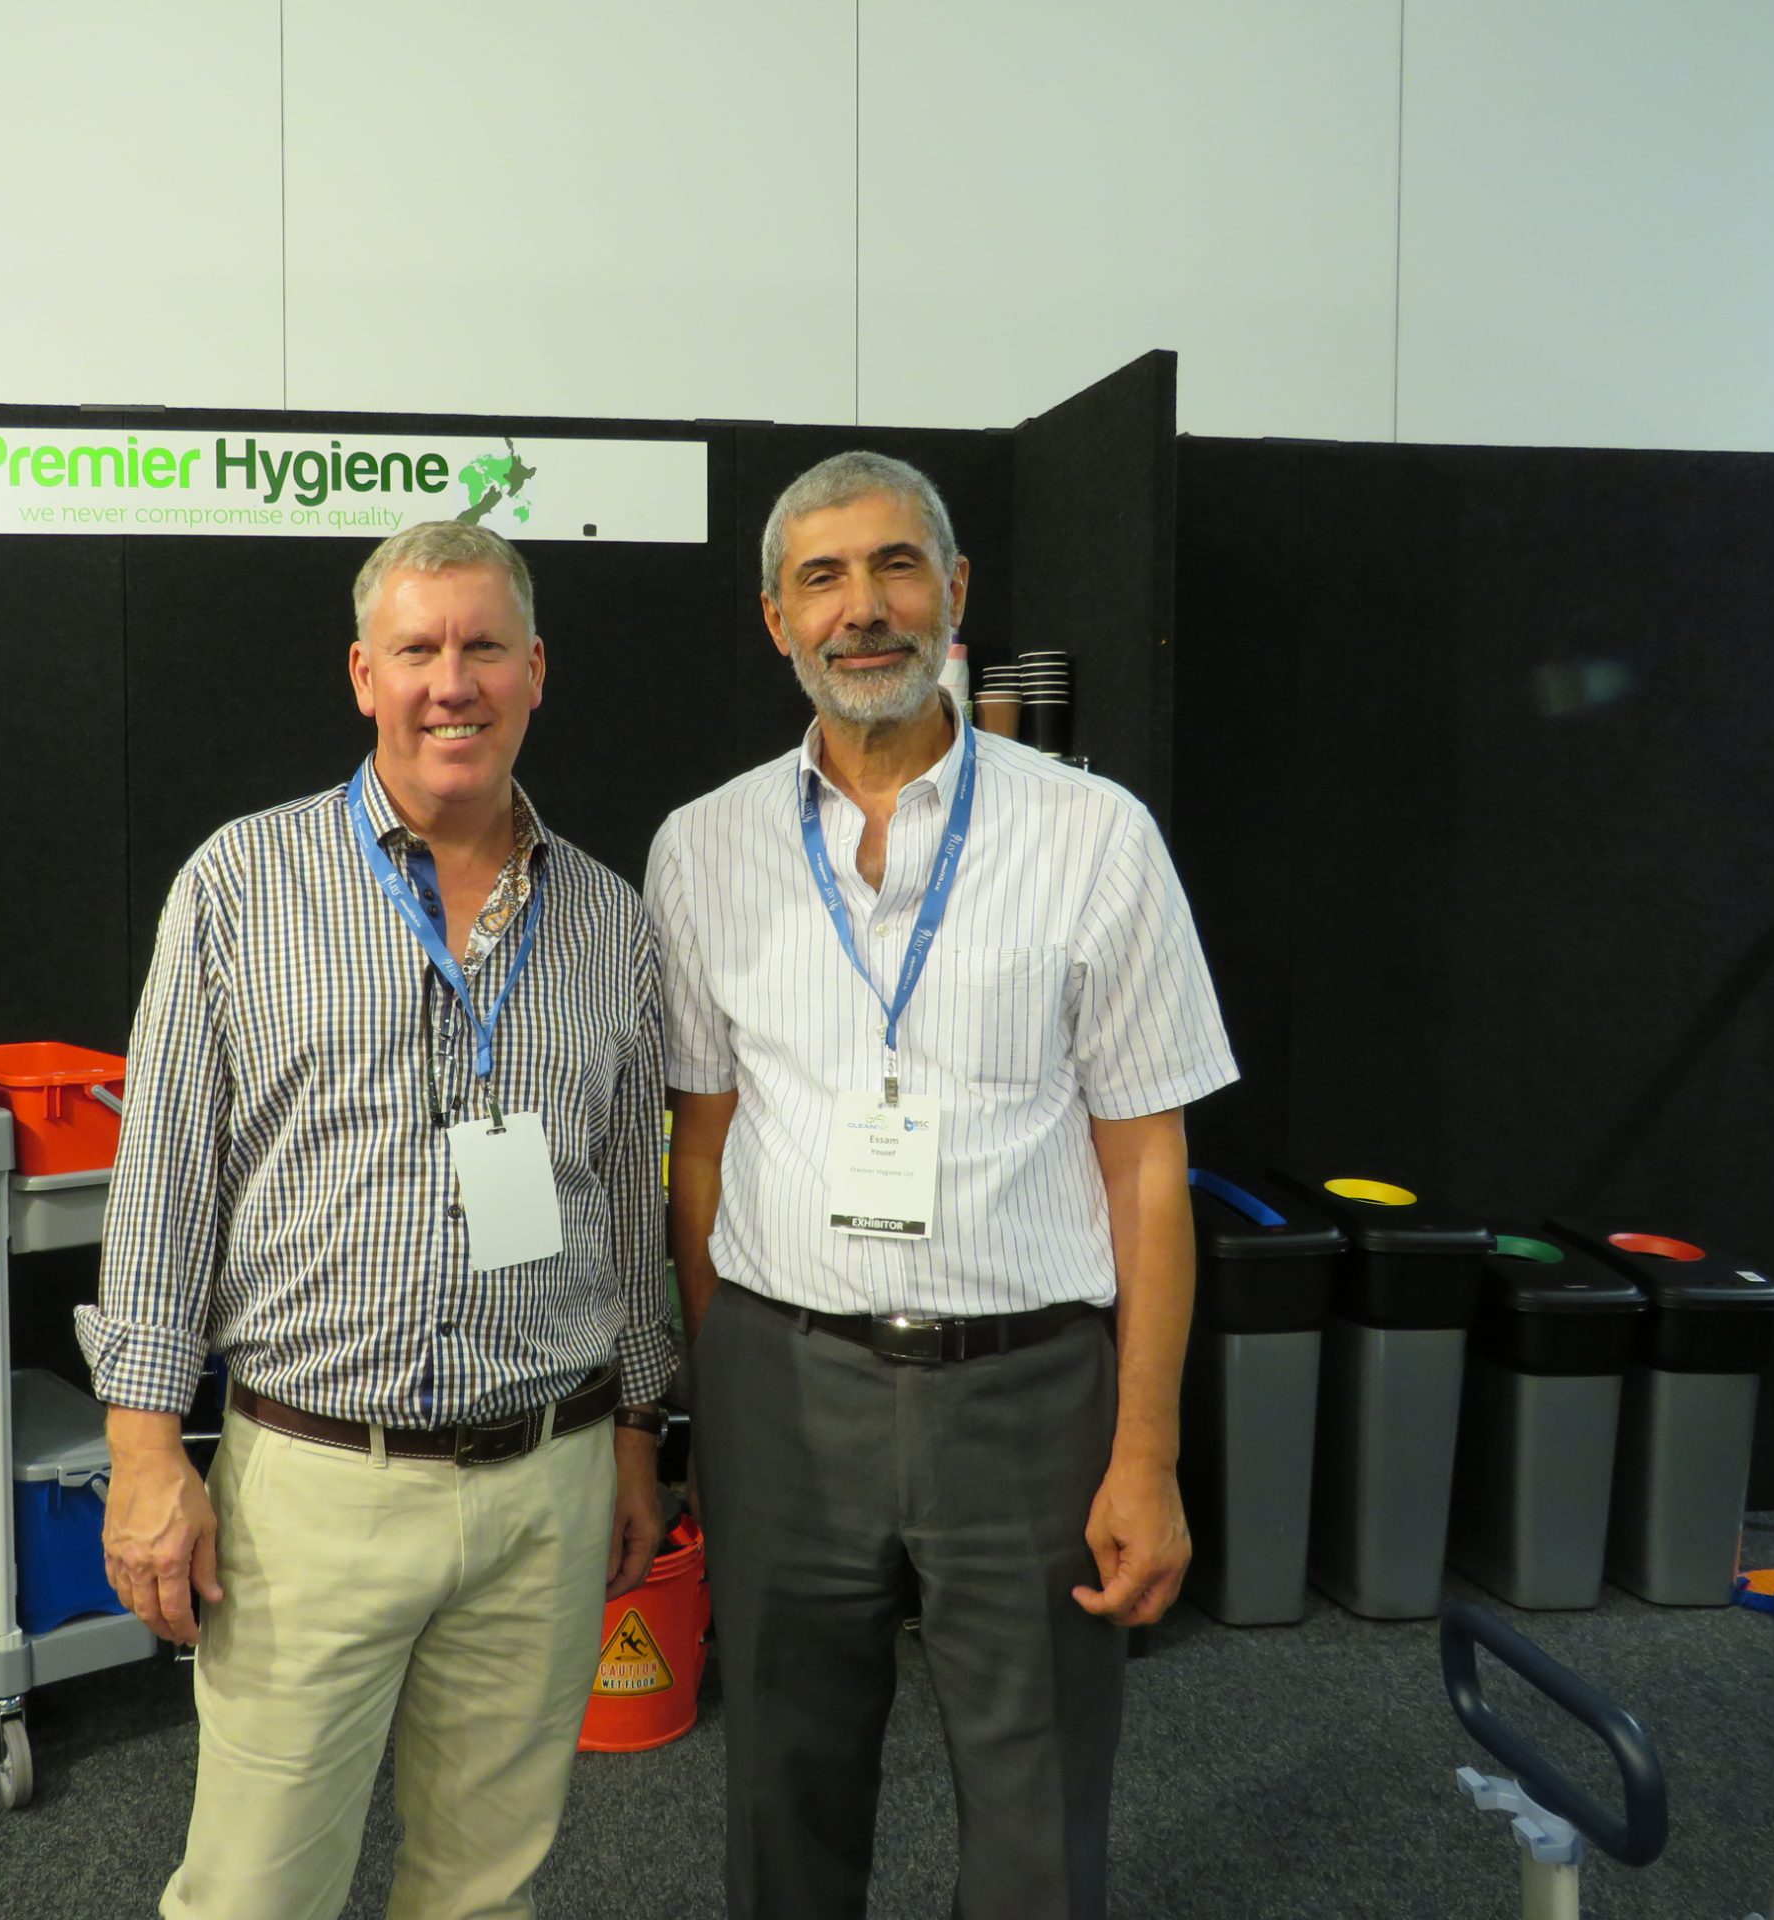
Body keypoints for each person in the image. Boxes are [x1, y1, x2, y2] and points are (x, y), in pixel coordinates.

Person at [647, 450, 1236, 1919]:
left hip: (1028, 1401)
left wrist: (1147, 1451)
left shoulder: (1095, 837)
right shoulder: (703, 849)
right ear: (777, 619)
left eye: (896, 565)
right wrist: (728, 1390)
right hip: (785, 1391)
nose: (863, 608)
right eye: (823, 578)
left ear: (955, 591)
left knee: (1039, 1820)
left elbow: (1148, 1168)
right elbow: (699, 1146)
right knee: (783, 1801)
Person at [77, 518, 676, 1920]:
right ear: (365, 675)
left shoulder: (610, 922)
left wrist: (639, 1434)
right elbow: (162, 1182)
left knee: (484, 1890)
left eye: (484, 649)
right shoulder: (243, 884)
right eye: (418, 650)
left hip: (548, 1482)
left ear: (537, 671)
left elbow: (623, 1198)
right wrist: (144, 1453)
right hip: (315, 1492)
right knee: (254, 1896)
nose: (451, 683)